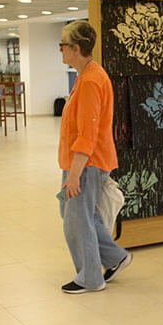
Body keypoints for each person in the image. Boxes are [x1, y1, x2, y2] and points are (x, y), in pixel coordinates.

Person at [56, 20, 131, 294]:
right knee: (75, 214)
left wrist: (75, 174)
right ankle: (115, 257)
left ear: (76, 48)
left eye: (62, 45)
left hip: (87, 162)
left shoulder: (90, 80)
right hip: (83, 161)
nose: (61, 50)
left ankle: (90, 277)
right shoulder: (87, 75)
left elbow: (87, 133)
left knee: (77, 220)